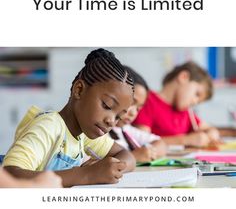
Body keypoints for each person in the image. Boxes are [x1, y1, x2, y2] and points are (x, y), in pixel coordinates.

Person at [2, 49, 136, 187]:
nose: (111, 121)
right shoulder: (49, 127)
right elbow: (11, 173)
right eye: (107, 105)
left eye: (118, 117)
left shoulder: (84, 134)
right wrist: (87, 175)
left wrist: (112, 169)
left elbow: (126, 155)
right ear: (79, 90)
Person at [132, 62, 220, 147]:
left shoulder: (185, 111)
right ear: (184, 77)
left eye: (199, 101)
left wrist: (211, 133)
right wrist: (187, 140)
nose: (195, 102)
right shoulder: (147, 101)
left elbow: (209, 128)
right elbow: (141, 141)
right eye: (197, 94)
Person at [110, 66, 166, 162]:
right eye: (132, 103)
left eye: (138, 108)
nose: (133, 113)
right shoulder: (100, 133)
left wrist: (148, 151)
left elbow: (161, 144)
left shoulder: (125, 130)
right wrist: (134, 157)